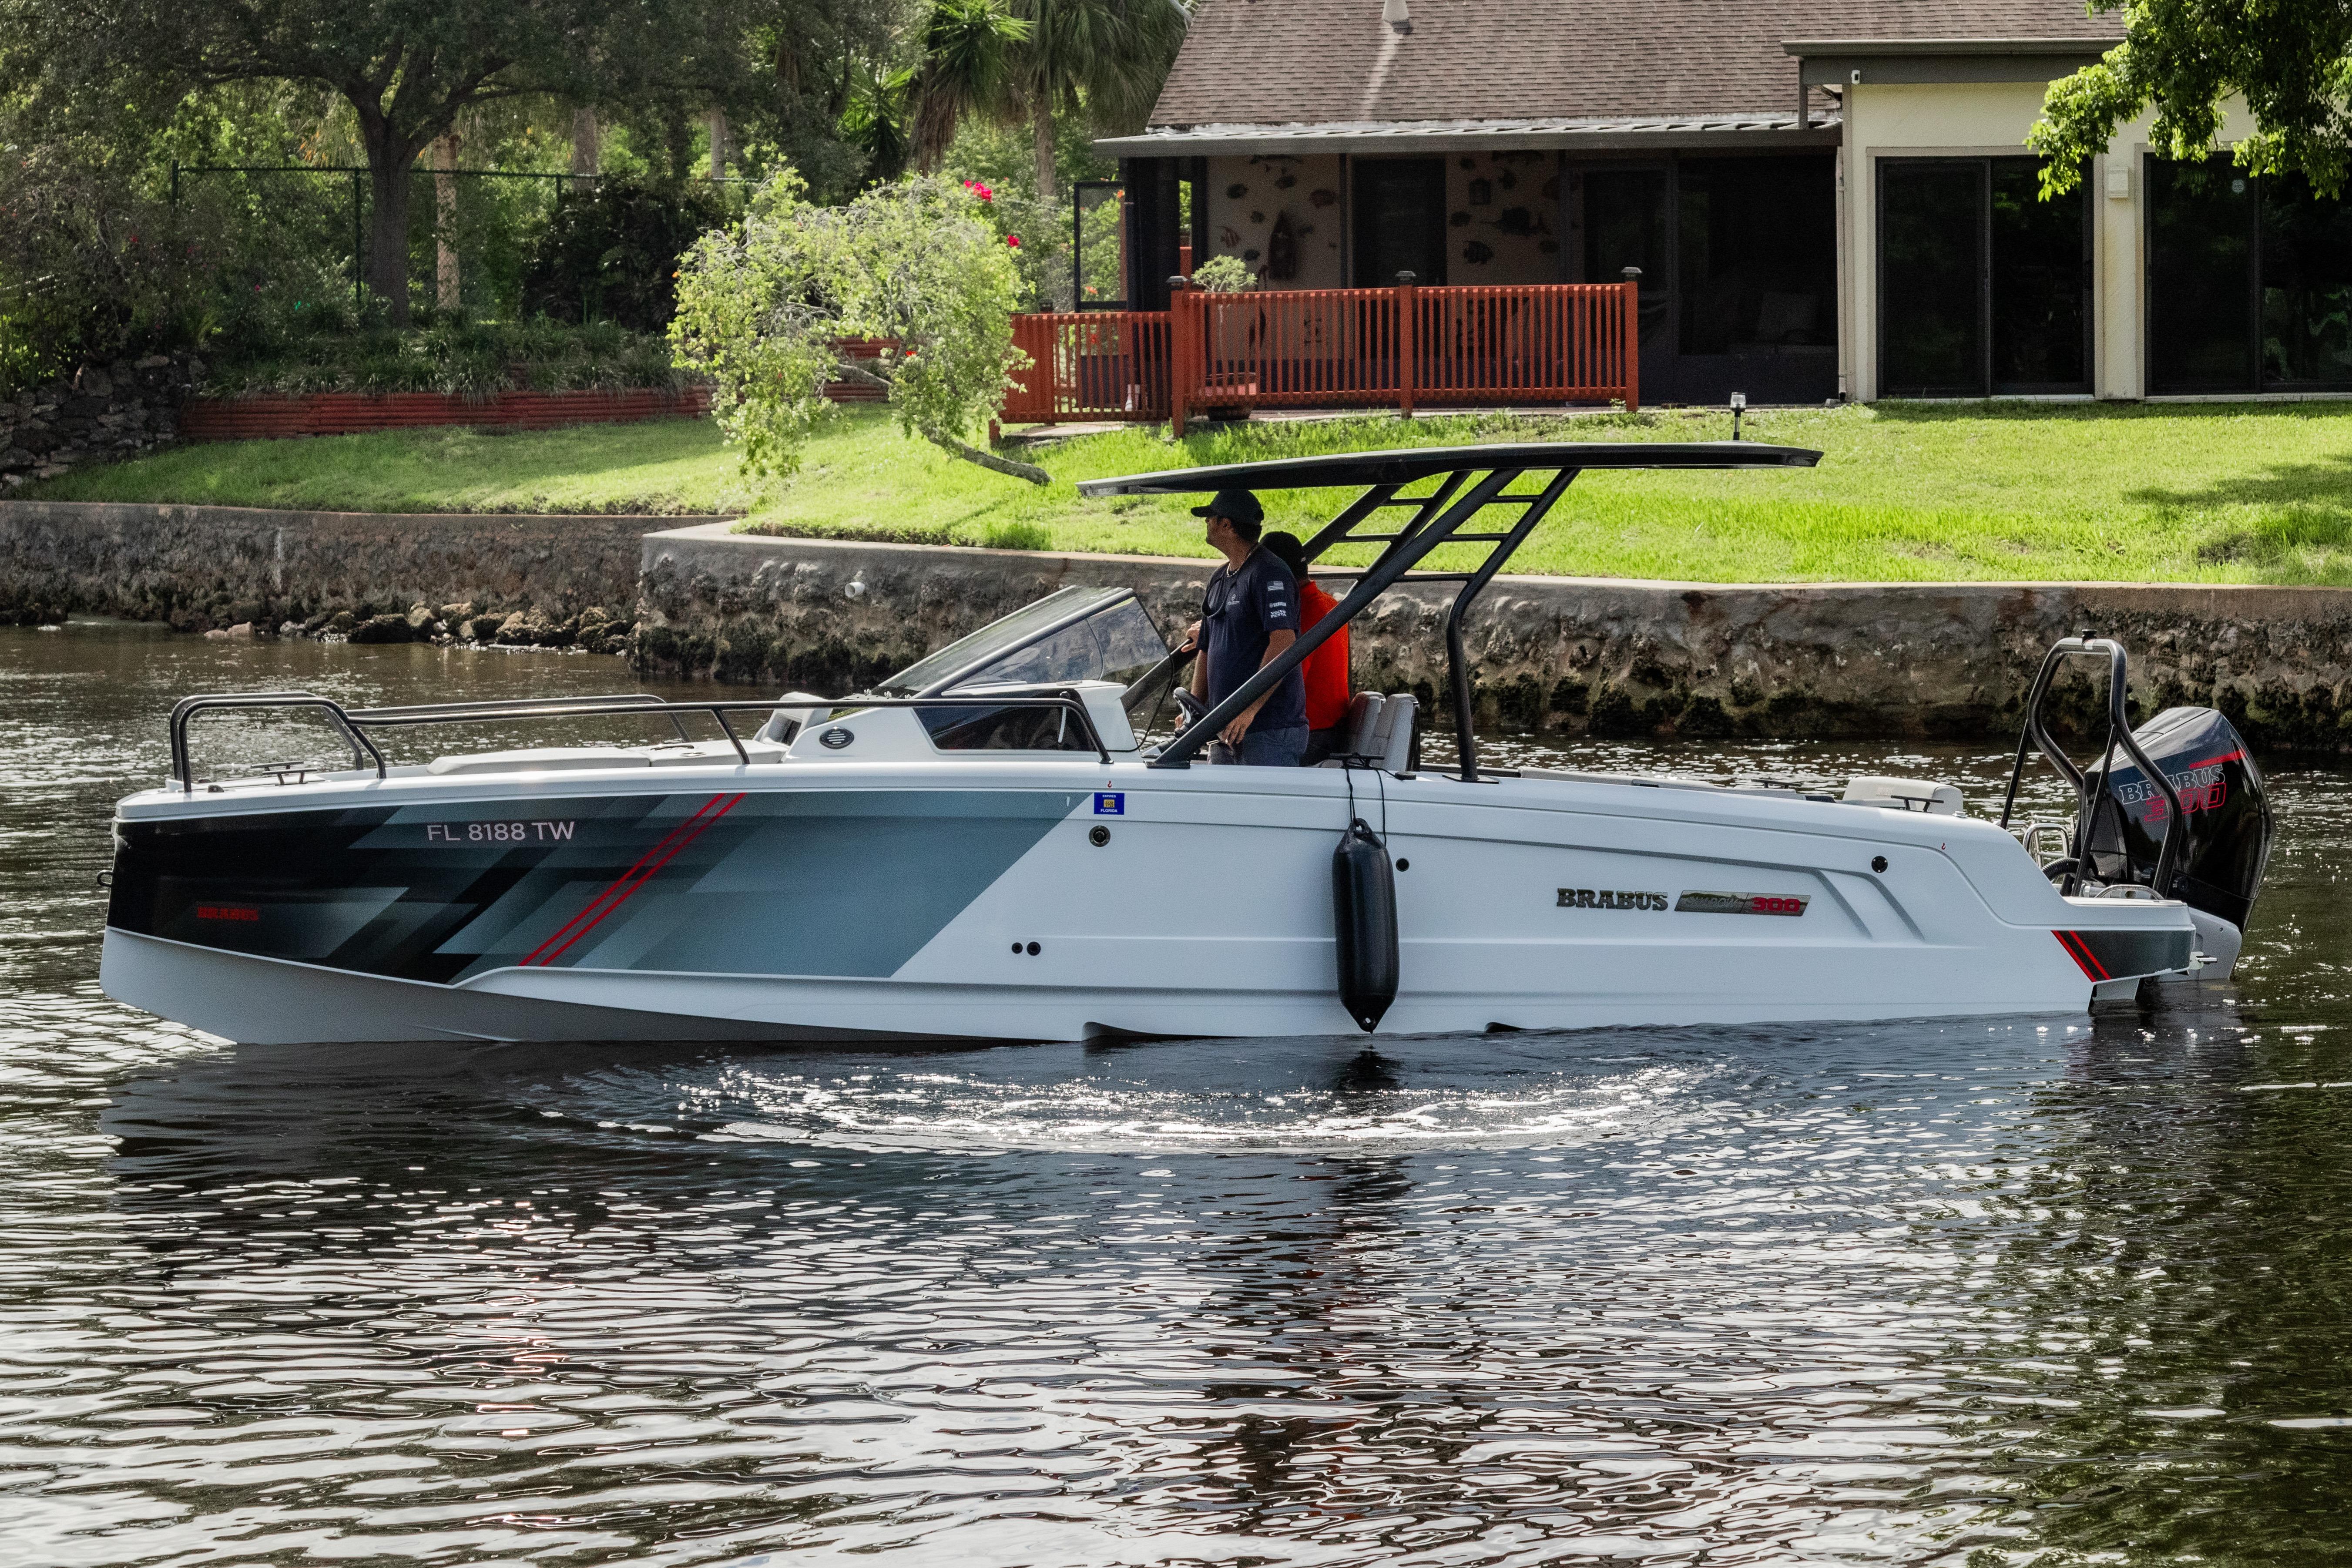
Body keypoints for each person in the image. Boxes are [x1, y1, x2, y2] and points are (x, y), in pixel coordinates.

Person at [1181, 488, 1309, 766]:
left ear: (1226, 525)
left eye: (1211, 517)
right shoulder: (1219, 577)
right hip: (1224, 728)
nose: (1207, 523)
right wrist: (1194, 709)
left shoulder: (1269, 573)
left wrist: (1249, 709)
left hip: (1268, 730)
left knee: (1263, 811)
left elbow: (1283, 642)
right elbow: (1206, 647)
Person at [1261, 531, 1350, 765]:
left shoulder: (1302, 615)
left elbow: (1287, 681)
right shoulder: (1329, 604)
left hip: (1311, 737)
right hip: (1329, 732)